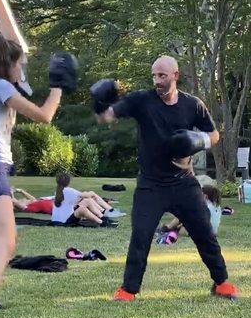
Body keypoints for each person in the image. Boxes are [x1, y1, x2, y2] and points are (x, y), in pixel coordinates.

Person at [91, 55, 238, 301]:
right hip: (151, 184)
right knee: (141, 235)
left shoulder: (193, 105)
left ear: (175, 76)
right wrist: (98, 104)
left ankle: (221, 283)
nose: (157, 81)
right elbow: (106, 117)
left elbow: (214, 135)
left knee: (204, 233)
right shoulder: (141, 100)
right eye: (154, 76)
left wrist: (198, 141)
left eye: (162, 76)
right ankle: (128, 290)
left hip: (184, 182)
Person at [0, 35, 79, 318]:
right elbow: (44, 116)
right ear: (9, 63)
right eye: (21, 64)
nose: (22, 70)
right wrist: (57, 88)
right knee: (5, 244)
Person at [51, 173, 125, 225]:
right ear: (68, 182)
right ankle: (102, 222)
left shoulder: (58, 191)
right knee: (83, 208)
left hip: (59, 219)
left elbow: (74, 201)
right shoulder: (69, 190)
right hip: (65, 221)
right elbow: (87, 195)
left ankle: (104, 216)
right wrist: (92, 193)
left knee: (87, 201)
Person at [158, 185, 222, 237]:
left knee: (182, 215)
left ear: (205, 196)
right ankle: (170, 228)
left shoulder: (204, 206)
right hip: (213, 232)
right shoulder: (217, 207)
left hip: (204, 232)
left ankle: (168, 228)